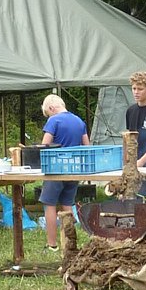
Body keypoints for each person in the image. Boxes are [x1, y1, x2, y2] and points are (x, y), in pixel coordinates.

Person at [37, 93, 89, 252]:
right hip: (73, 169)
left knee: (50, 204)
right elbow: (87, 146)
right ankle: (70, 243)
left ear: (51, 108)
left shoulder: (54, 120)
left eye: (48, 113)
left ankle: (52, 244)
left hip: (55, 169)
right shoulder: (79, 121)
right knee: (68, 204)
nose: (48, 117)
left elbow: (44, 145)